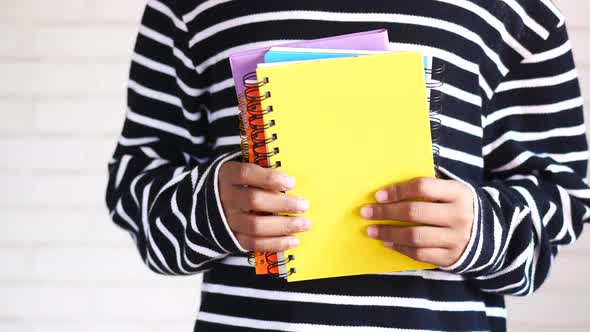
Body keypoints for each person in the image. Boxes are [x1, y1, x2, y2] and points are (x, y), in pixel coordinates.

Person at [105, 0, 589, 331]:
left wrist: (480, 229)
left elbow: (565, 195)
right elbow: (135, 180)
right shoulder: (188, 7)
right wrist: (211, 209)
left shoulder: (518, 10)